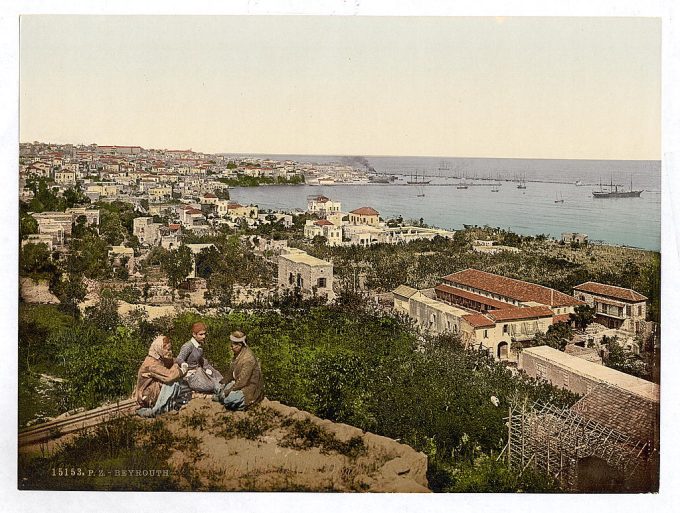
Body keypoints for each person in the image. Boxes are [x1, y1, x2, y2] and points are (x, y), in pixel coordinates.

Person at [134, 335, 191, 417]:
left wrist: (179, 363)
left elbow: (174, 361)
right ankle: (160, 410)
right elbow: (169, 376)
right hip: (147, 396)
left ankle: (172, 405)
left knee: (179, 380)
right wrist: (182, 369)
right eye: (167, 349)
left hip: (155, 391)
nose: (170, 352)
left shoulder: (160, 358)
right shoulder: (151, 364)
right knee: (172, 382)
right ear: (159, 348)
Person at [214, 330, 265, 411]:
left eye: (233, 345)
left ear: (239, 345)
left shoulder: (248, 359)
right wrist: (222, 383)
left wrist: (227, 391)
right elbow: (230, 373)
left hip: (249, 389)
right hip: (237, 384)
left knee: (228, 400)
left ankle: (247, 403)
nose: (231, 347)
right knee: (217, 389)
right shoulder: (237, 355)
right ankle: (225, 397)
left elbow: (242, 381)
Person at [175, 321, 224, 393]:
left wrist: (216, 373)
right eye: (201, 334)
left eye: (204, 334)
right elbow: (179, 358)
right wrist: (185, 365)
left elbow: (203, 362)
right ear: (194, 334)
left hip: (199, 372)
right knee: (212, 385)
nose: (204, 337)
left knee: (219, 380)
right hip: (190, 376)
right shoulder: (188, 346)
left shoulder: (199, 346)